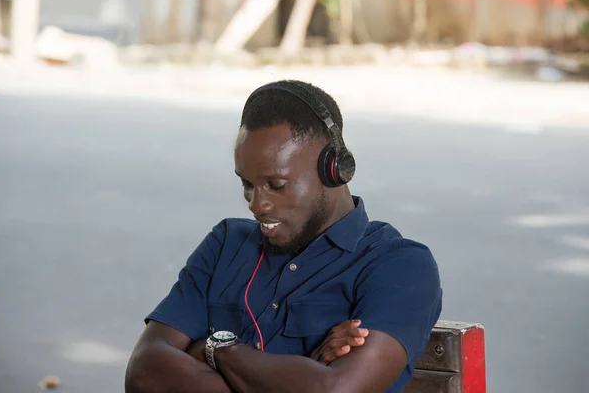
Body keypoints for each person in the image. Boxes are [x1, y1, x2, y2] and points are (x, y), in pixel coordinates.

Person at [125, 80, 442, 393]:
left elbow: (336, 390)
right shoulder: (225, 244)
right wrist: (301, 371)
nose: (256, 204)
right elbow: (144, 371)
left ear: (334, 170)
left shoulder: (399, 266)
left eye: (276, 184)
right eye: (247, 184)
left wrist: (216, 350)